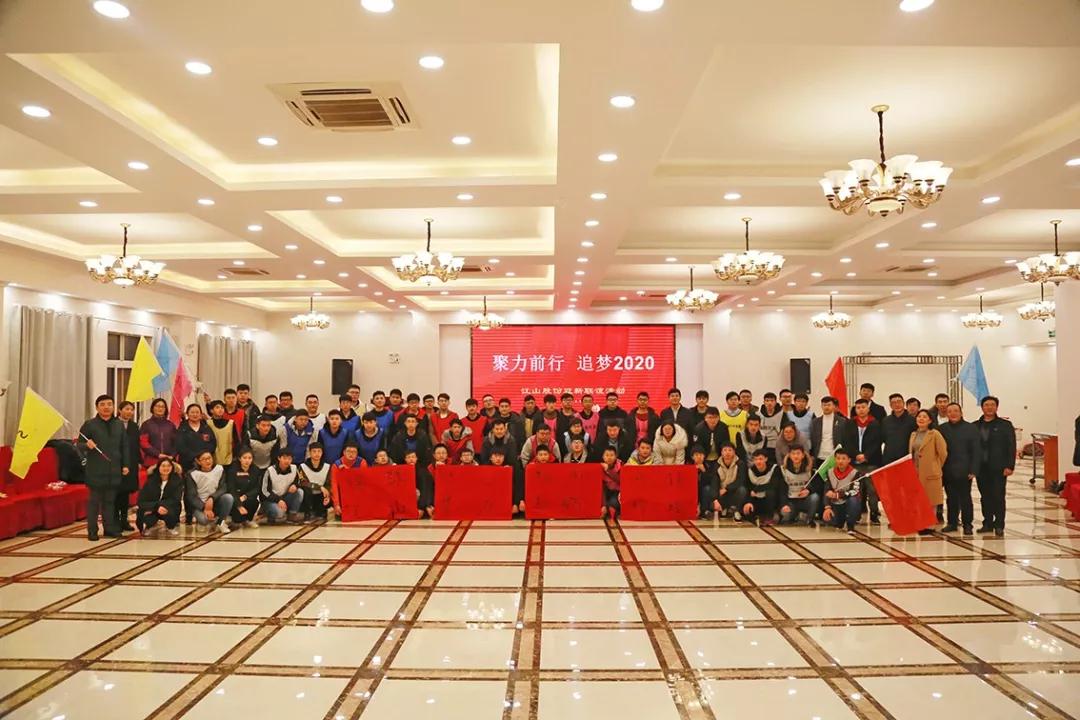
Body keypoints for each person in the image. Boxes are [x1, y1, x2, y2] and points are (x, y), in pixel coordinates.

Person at [79, 395, 129, 540]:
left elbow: (124, 445)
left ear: (113, 407)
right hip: (96, 470)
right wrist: (86, 445)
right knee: (94, 503)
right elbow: (78, 445)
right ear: (97, 407)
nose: (106, 407)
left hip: (114, 469)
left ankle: (109, 528)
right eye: (102, 404)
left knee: (110, 502)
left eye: (109, 404)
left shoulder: (119, 424)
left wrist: (126, 464)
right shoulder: (89, 424)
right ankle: (92, 530)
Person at [973, 395, 1016, 537]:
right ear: (982, 407)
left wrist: (1010, 466)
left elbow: (1011, 446)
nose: (989, 407)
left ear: (996, 407)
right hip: (981, 468)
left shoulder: (1005, 425)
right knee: (985, 496)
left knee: (998, 496)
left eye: (992, 405)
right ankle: (987, 523)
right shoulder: (975, 426)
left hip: (999, 468)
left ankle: (999, 524)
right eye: (986, 405)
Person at [937, 402, 980, 535]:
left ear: (961, 413)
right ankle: (952, 522)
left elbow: (976, 450)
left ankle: (967, 524)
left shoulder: (971, 428)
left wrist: (974, 470)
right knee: (951, 498)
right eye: (950, 411)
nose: (953, 414)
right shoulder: (941, 429)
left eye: (956, 411)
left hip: (965, 470)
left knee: (965, 498)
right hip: (947, 469)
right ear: (946, 414)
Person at [910, 409, 947, 535]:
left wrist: (935, 466)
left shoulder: (934, 434)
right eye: (919, 416)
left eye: (924, 417)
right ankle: (921, 523)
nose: (921, 419)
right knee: (919, 499)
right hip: (916, 470)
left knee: (931, 499)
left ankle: (929, 525)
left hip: (930, 471)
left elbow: (943, 453)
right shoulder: (913, 434)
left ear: (930, 420)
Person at [849, 398, 883, 524]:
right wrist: (856, 454)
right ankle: (856, 513)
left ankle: (874, 513)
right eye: (858, 408)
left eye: (863, 407)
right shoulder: (850, 423)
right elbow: (847, 441)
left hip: (871, 462)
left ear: (868, 409)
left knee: (872, 490)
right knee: (856, 489)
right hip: (854, 462)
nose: (861, 410)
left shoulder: (875, 423)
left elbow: (877, 442)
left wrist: (866, 455)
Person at [184, 450, 233, 534]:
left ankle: (220, 522)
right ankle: (206, 520)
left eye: (209, 458)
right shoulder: (192, 474)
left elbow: (223, 488)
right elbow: (191, 496)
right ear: (198, 461)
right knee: (203, 520)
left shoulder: (219, 469)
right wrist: (205, 508)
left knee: (228, 498)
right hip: (200, 505)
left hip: (215, 501)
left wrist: (212, 498)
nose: (208, 461)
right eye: (204, 459)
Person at [135, 457, 182, 536]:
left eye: (168, 466)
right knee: (147, 517)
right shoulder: (151, 481)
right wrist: (156, 507)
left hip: (168, 507)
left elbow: (176, 499)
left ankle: (171, 527)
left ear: (172, 468)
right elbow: (141, 501)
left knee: (171, 511)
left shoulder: (177, 480)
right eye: (163, 466)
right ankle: (149, 526)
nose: (166, 468)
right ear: (158, 467)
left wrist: (160, 506)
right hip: (153, 508)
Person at [778, 446, 821, 527]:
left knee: (815, 497)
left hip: (805, 500)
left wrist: (809, 490)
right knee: (785, 516)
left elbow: (818, 485)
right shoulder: (783, 470)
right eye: (793, 454)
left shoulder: (811, 469)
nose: (796, 456)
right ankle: (796, 515)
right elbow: (781, 489)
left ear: (803, 455)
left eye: (798, 453)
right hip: (791, 501)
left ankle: (809, 519)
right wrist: (784, 504)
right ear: (789, 455)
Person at [822, 448, 862, 533]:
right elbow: (826, 490)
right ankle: (839, 522)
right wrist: (827, 507)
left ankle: (850, 526)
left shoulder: (855, 473)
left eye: (843, 458)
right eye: (838, 458)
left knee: (853, 500)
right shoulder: (830, 472)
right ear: (835, 459)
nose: (840, 461)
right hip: (836, 503)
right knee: (833, 522)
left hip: (848, 502)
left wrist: (838, 495)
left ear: (849, 460)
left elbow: (855, 491)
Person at [115, 400, 140, 532]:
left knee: (125, 494)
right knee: (116, 494)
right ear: (120, 410)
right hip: (116, 464)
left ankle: (124, 520)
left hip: (130, 464)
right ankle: (114, 521)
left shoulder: (134, 426)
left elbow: (136, 446)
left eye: (131, 409)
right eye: (127, 409)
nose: (129, 412)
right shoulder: (113, 424)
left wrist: (138, 462)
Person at [703, 444, 747, 520]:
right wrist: (715, 499)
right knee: (707, 489)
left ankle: (735, 511)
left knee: (742, 490)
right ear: (721, 452)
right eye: (725, 450)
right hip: (720, 492)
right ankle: (707, 511)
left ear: (734, 452)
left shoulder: (740, 464)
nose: (727, 453)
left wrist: (727, 489)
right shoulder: (716, 464)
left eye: (730, 450)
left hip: (732, 492)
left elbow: (740, 480)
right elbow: (714, 482)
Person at [741, 450, 784, 526]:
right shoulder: (750, 471)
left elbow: (774, 485)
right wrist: (748, 502)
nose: (758, 462)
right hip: (756, 500)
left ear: (766, 459)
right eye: (756, 459)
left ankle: (772, 515)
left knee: (770, 492)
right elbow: (748, 488)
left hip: (770, 501)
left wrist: (756, 489)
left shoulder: (775, 468)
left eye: (760, 459)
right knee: (747, 512)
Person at [262, 447, 305, 524]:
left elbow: (302, 481)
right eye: (284, 458)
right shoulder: (269, 471)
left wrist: (295, 485)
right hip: (271, 500)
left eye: (289, 459)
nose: (287, 461)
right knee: (279, 513)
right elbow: (264, 491)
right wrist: (278, 500)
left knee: (300, 492)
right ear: (279, 458)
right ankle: (270, 515)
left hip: (286, 497)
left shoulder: (295, 468)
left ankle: (292, 514)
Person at [226, 448, 262, 528]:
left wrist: (246, 496)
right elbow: (231, 488)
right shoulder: (232, 470)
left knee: (254, 502)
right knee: (238, 520)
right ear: (239, 458)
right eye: (244, 458)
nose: (247, 460)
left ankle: (249, 520)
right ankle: (234, 520)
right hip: (236, 497)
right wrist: (238, 504)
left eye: (249, 458)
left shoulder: (255, 470)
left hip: (247, 497)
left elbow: (257, 488)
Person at [810, 396, 849, 469]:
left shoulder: (842, 421)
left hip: (835, 456)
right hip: (819, 456)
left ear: (834, 406)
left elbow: (845, 439)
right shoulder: (815, 422)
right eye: (824, 405)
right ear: (821, 406)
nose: (826, 407)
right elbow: (812, 439)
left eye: (829, 405)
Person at [176, 403, 216, 473]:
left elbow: (212, 443)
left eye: (197, 412)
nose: (195, 414)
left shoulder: (206, 427)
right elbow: (180, 446)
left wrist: (203, 457)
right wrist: (195, 458)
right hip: (187, 464)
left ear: (201, 414)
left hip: (205, 463)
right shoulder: (182, 428)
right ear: (187, 414)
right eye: (192, 412)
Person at [139, 397, 177, 469]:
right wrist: (157, 454)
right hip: (151, 462)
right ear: (152, 408)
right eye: (157, 406)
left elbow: (176, 443)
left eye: (163, 407)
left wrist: (172, 455)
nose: (160, 408)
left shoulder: (171, 425)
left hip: (169, 461)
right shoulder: (146, 424)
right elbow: (143, 443)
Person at [299, 442, 332, 520]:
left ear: (322, 453)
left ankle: (321, 510)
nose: (317, 454)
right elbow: (303, 482)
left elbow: (329, 483)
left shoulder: (327, 466)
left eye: (319, 451)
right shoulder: (302, 466)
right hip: (308, 496)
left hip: (321, 496)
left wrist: (328, 494)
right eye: (314, 451)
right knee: (305, 489)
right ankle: (308, 512)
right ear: (310, 453)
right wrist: (319, 487)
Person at [882, 393, 917, 464]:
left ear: (903, 403)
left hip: (906, 458)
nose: (897, 404)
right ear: (890, 405)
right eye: (894, 403)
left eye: (899, 402)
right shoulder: (886, 421)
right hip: (889, 459)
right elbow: (883, 438)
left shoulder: (913, 420)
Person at [207, 400, 235, 467]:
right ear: (211, 410)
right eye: (217, 407)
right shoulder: (207, 424)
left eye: (222, 408)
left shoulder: (231, 423)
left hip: (228, 458)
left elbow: (236, 441)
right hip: (212, 460)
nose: (220, 409)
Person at [411, 449, 435, 518]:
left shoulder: (423, 472)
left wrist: (423, 506)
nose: (411, 459)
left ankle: (426, 507)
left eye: (413, 457)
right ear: (405, 459)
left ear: (416, 458)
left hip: (424, 498)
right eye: (408, 457)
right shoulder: (402, 470)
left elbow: (425, 489)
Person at [599, 447, 622, 520]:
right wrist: (603, 505)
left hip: (617, 492)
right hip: (606, 491)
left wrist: (608, 470)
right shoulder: (600, 467)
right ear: (603, 456)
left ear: (616, 456)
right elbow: (601, 488)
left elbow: (620, 480)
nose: (609, 457)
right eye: (607, 455)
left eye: (612, 455)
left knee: (613, 503)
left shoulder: (620, 465)